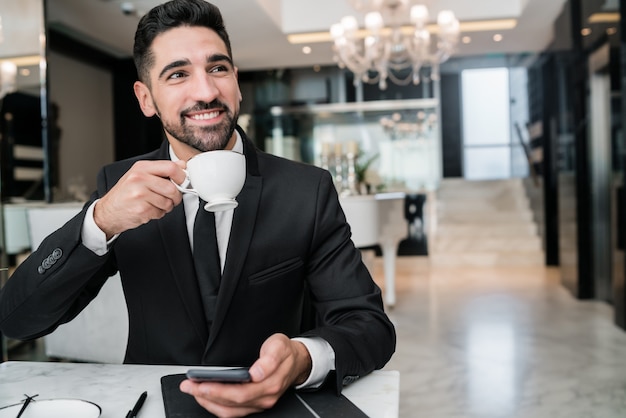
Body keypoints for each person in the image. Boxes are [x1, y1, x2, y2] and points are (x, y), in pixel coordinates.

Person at [0, 0, 396, 416]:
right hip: (154, 405)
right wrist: (100, 220)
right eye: (177, 74)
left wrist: (302, 359)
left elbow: (370, 328)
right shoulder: (119, 186)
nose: (206, 91)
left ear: (237, 81)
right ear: (146, 98)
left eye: (218, 68)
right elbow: (19, 320)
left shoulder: (306, 190)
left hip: (276, 407)